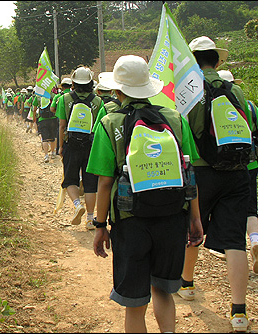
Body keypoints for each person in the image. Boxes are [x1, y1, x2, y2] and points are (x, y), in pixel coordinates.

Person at [87, 55, 203, 333]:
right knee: (163, 290)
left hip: (130, 221)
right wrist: (195, 218)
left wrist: (100, 226)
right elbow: (189, 173)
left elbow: (104, 183)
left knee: (135, 304)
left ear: (117, 90)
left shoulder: (109, 122)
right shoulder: (175, 118)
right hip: (173, 216)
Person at [180, 36, 251, 332]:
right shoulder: (235, 90)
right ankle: (239, 312)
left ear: (191, 64)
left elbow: (190, 131)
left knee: (194, 226)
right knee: (235, 241)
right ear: (217, 61)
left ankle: (187, 284)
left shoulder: (190, 91)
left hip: (202, 171)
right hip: (237, 172)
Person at [213, 70, 258, 274]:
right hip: (250, 164)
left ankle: (232, 249)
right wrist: (251, 134)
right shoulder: (248, 105)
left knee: (227, 208)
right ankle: (255, 241)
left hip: (226, 165)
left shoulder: (213, 104)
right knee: (250, 208)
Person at [56, 66, 105, 230]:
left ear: (73, 82)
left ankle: (77, 205)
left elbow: (62, 126)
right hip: (90, 145)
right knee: (90, 183)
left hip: (71, 144)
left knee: (70, 179)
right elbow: (99, 128)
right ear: (91, 82)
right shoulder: (98, 101)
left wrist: (61, 147)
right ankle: (90, 219)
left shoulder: (64, 99)